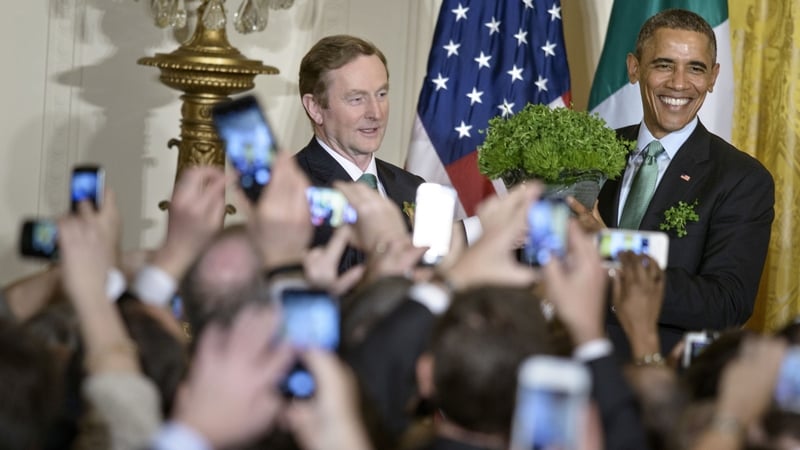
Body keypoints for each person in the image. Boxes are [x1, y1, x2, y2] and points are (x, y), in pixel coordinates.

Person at [585, 8, 775, 359]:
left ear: (714, 77)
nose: (679, 82)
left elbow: (727, 303)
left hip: (663, 381)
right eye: (663, 64)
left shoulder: (741, 179)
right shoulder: (591, 153)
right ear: (634, 67)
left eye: (696, 68)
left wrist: (607, 251)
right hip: (569, 357)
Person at [294, 34, 425, 272]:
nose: (375, 112)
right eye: (356, 99)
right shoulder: (291, 190)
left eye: (382, 94)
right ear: (315, 108)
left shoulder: (412, 187)